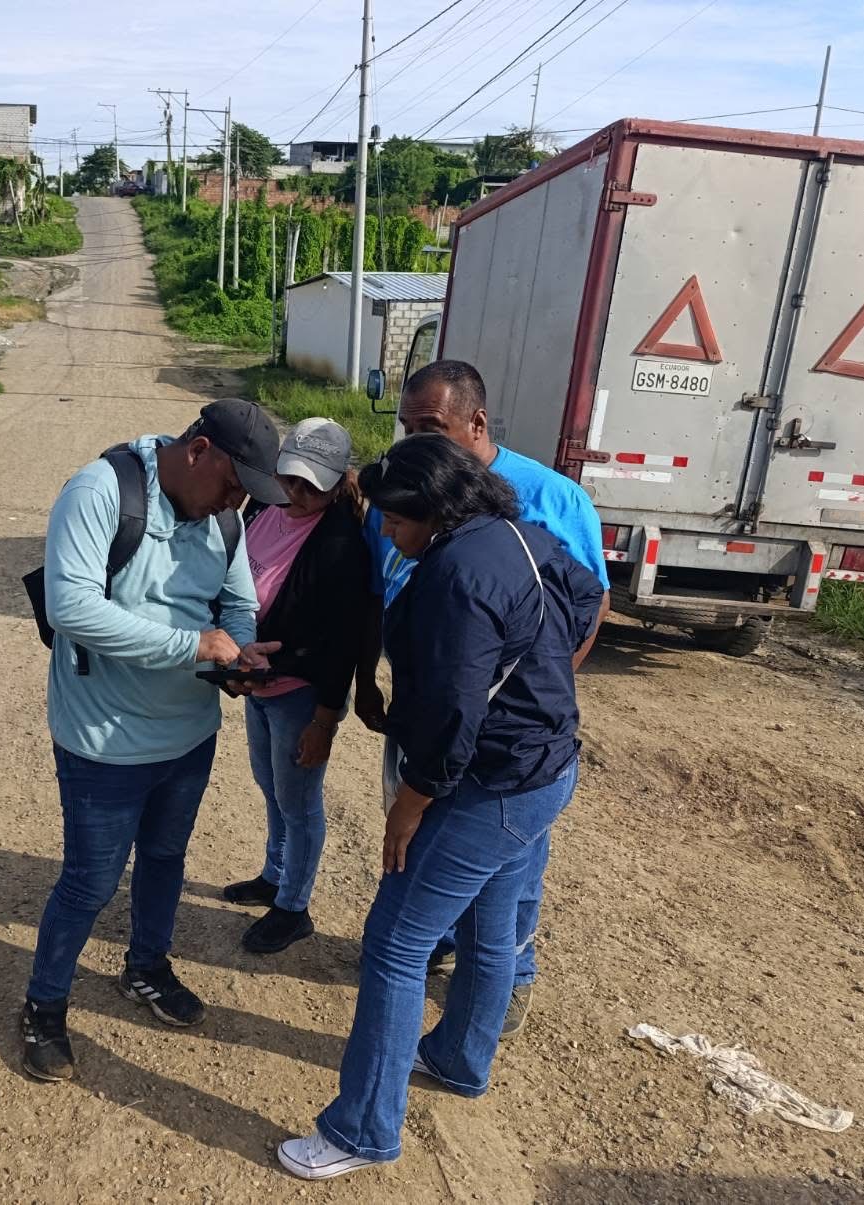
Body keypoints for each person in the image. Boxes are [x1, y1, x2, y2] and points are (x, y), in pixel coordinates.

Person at [279, 435, 604, 1181]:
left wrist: (411, 802)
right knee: (491, 923)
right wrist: (540, 685)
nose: (390, 535)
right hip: (545, 769)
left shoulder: (456, 574)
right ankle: (459, 1057)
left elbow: (455, 714)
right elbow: (586, 599)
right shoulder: (519, 534)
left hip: (488, 785)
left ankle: (362, 1128)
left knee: (396, 941)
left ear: (435, 507)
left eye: (397, 522)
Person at [21, 399, 286, 1083]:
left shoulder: (224, 518)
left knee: (166, 857)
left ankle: (146, 966)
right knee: (90, 881)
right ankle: (44, 1006)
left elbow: (238, 604)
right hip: (104, 738)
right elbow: (71, 607)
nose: (236, 503)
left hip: (189, 733)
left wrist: (238, 655)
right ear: (198, 451)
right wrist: (192, 645)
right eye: (233, 484)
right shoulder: (100, 492)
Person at [355, 359, 612, 1035]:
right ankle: (460, 1014)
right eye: (407, 426)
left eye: (430, 427)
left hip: (493, 746)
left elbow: (588, 601)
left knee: (488, 886)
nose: (414, 440)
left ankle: (507, 980)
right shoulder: (409, 490)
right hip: (440, 720)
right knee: (454, 877)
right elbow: (377, 587)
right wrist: (375, 680)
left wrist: (522, 687)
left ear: (476, 421)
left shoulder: (548, 498)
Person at [222, 418, 372, 954]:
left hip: (299, 693)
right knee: (271, 786)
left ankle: (293, 907)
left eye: (312, 485)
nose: (297, 492)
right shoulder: (263, 506)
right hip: (259, 684)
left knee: (300, 802)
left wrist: (324, 721)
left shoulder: (341, 543)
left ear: (338, 481)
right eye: (289, 478)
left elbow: (344, 644)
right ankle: (275, 874)